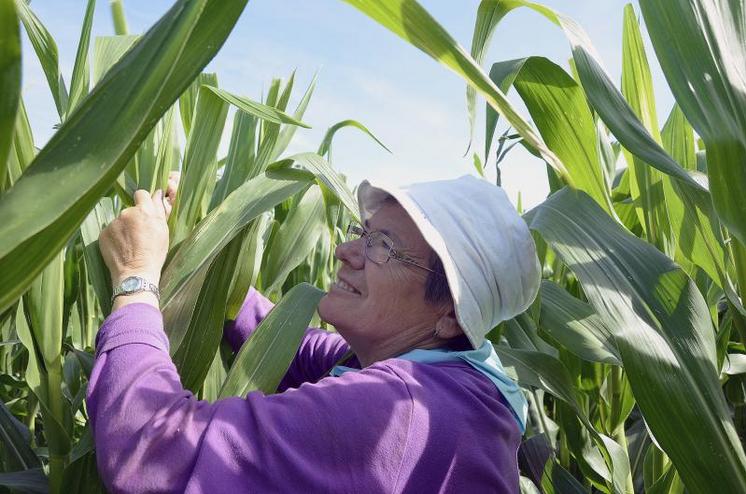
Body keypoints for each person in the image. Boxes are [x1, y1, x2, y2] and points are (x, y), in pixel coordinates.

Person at [90, 174, 541, 493]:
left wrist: (136, 277)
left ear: (450, 315)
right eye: (362, 234)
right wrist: (204, 249)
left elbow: (153, 453)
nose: (346, 252)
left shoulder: (400, 414)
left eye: (383, 246)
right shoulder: (457, 379)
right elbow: (289, 344)